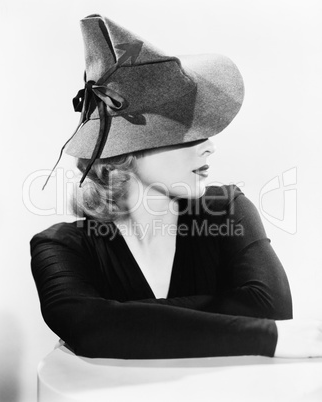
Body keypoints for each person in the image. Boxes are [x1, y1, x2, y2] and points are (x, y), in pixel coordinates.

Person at [31, 14, 322, 359]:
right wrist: (259, 334)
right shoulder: (61, 247)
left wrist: (129, 320)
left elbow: (271, 307)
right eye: (182, 134)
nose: (209, 146)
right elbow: (90, 327)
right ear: (126, 152)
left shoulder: (226, 209)